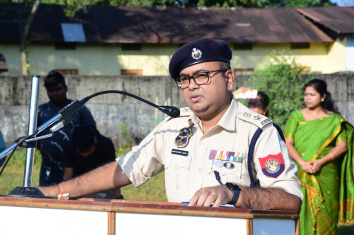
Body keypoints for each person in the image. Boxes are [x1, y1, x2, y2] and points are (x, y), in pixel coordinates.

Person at [38, 38, 302, 212]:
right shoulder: (173, 126)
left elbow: (290, 201)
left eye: (202, 75)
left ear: (229, 79)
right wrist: (58, 191)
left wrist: (232, 193)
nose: (192, 86)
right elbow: (124, 169)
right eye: (185, 79)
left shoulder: (258, 131)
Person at [284, 79, 354, 234]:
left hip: (326, 173)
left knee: (326, 210)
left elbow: (342, 146)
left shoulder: (335, 120)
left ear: (322, 96)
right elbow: (288, 143)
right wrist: (302, 163)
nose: (307, 98)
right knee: (299, 212)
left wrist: (321, 162)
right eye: (305, 94)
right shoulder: (296, 116)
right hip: (299, 171)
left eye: (312, 94)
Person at [37, 70, 96, 186]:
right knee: (47, 201)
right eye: (50, 91)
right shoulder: (41, 111)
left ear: (66, 88)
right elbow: (36, 138)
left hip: (77, 169)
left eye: (58, 89)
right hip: (49, 170)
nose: (54, 94)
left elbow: (92, 133)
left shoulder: (78, 109)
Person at [62, 125, 122, 199]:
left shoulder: (106, 146)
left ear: (95, 144)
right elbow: (68, 176)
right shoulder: (69, 147)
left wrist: (118, 197)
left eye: (88, 151)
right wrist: (65, 196)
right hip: (78, 186)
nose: (85, 154)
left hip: (102, 186)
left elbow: (112, 174)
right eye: (81, 152)